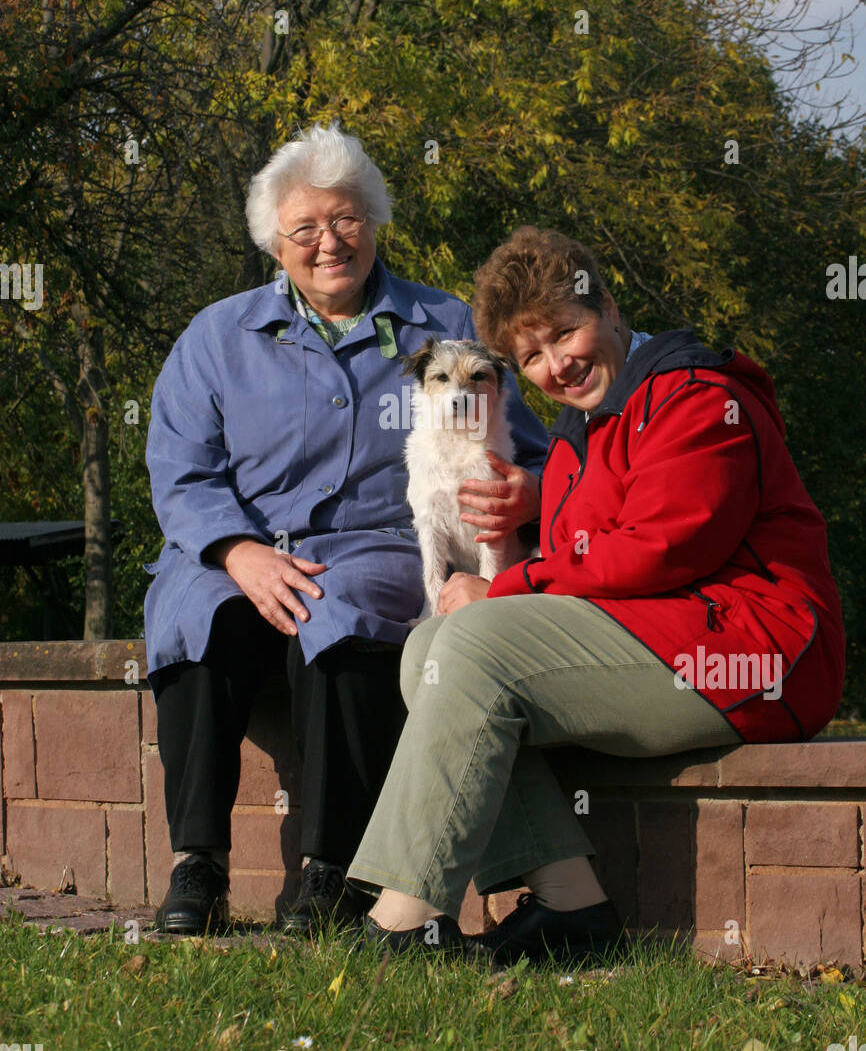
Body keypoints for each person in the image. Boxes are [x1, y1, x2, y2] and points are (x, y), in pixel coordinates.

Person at [346, 224, 847, 960]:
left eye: (564, 334)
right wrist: (540, 499)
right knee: (429, 643)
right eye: (531, 357)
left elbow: (658, 548)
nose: (557, 365)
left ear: (607, 306)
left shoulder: (699, 399)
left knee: (473, 643)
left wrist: (506, 587)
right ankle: (571, 906)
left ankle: (404, 919)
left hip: (758, 652)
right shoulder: (589, 425)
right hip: (670, 635)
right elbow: (595, 542)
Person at [142, 125, 550, 935]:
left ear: (375, 221)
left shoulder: (444, 322)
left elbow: (532, 450)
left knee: (342, 612)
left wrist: (527, 494)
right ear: (275, 243)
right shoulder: (216, 337)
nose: (329, 242)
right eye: (305, 229)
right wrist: (238, 552)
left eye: (348, 219)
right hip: (230, 546)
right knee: (198, 615)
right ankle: (198, 867)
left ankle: (332, 874)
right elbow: (180, 472)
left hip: (378, 546)